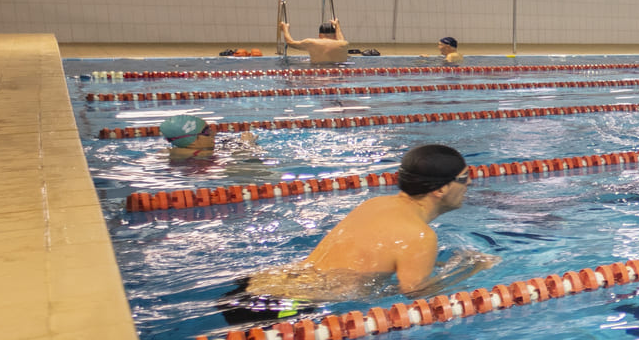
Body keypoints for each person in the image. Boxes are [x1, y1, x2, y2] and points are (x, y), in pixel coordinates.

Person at [235, 144, 497, 309]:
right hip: (286, 306)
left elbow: (369, 257)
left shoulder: (376, 203)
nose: (470, 184)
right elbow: (418, 295)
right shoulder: (419, 236)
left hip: (258, 285)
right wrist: (472, 269)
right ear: (440, 189)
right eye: (464, 177)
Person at [161, 114, 254, 161]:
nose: (213, 133)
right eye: (207, 131)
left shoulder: (166, 153)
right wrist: (248, 144)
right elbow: (249, 160)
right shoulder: (204, 155)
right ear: (192, 140)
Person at [281, 18, 349, 64]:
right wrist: (337, 26)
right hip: (338, 75)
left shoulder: (311, 43)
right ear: (335, 36)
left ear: (319, 35)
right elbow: (340, 39)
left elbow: (290, 43)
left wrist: (285, 29)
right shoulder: (343, 44)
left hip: (318, 73)